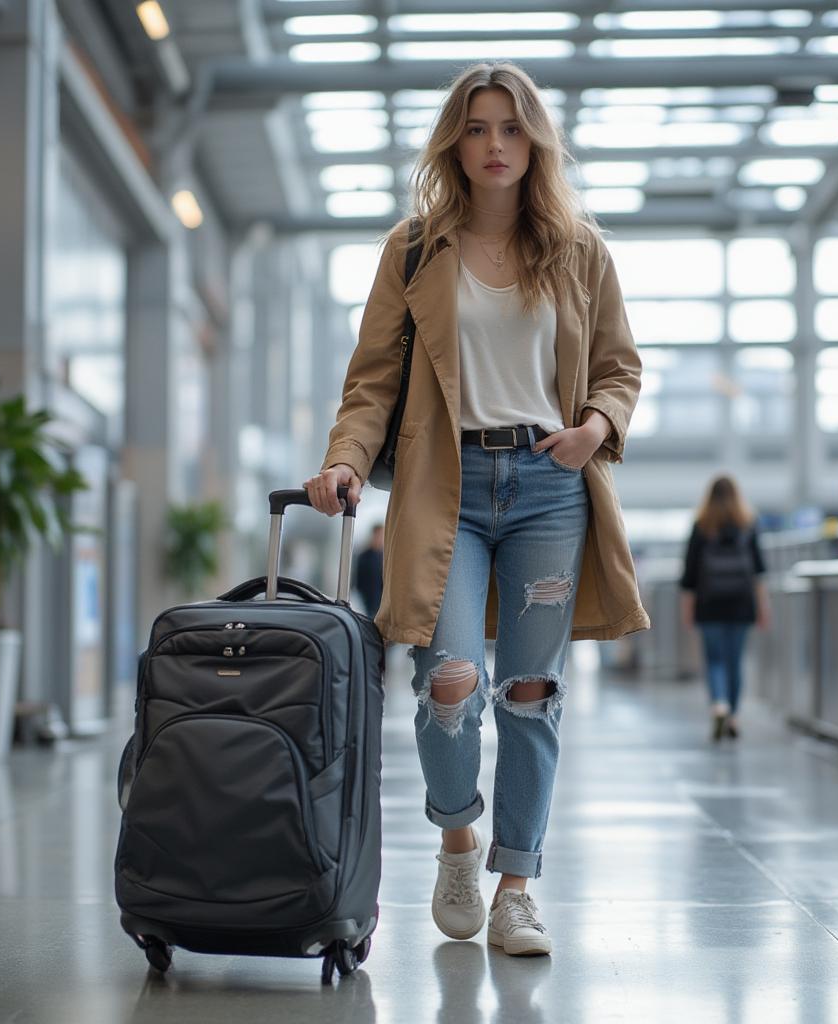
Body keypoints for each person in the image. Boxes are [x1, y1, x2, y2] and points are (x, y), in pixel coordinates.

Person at [303, 62, 649, 957]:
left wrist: (594, 427)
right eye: (477, 127)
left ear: (535, 141)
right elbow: (373, 379)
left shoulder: (579, 249)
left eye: (511, 128)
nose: (495, 145)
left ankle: (517, 887)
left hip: (547, 489)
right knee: (447, 683)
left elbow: (619, 365)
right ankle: (459, 841)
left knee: (529, 697)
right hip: (443, 486)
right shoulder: (415, 248)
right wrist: (343, 459)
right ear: (454, 142)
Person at [679, 475, 770, 742]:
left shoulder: (702, 525)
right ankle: (733, 716)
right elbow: (759, 571)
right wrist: (763, 608)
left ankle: (719, 704)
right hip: (742, 604)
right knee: (735, 662)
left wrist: (688, 610)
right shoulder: (748, 525)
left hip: (709, 604)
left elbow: (689, 575)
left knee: (715, 660)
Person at [353, 523, 385, 618]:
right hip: (368, 600)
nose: (380, 538)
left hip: (382, 602)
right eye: (378, 535)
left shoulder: (386, 557)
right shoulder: (364, 556)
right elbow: (358, 579)